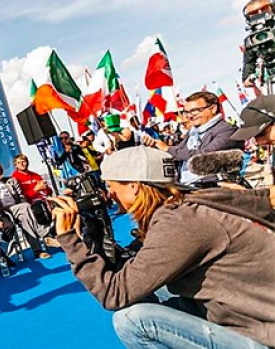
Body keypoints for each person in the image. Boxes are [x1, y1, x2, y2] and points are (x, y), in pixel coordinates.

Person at [51, 146, 275, 348]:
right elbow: (132, 269)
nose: (109, 195)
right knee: (149, 288)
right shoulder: (189, 204)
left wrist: (69, 239)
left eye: (110, 186)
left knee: (132, 321)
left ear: (134, 186)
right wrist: (95, 228)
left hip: (262, 332)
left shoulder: (180, 224)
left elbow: (114, 294)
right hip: (250, 312)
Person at [142, 91, 243, 184]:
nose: (189, 116)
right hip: (185, 185)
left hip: (212, 187)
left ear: (212, 108)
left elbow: (204, 155)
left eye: (194, 110)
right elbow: (179, 152)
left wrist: (167, 148)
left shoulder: (227, 130)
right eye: (187, 112)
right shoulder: (193, 132)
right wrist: (155, 146)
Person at [0, 161, 52, 258]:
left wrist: (24, 205)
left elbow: (21, 196)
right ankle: (45, 234)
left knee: (25, 218)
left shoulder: (11, 180)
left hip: (18, 207)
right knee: (25, 207)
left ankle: (38, 251)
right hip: (3, 211)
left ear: (2, 171)